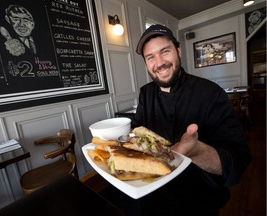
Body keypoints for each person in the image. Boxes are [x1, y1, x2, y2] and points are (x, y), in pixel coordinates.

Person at [100, 24, 251, 216]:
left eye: (165, 51)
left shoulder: (211, 93)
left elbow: (238, 159)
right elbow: (137, 130)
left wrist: (197, 152)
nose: (160, 62)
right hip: (150, 189)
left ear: (178, 51)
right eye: (150, 57)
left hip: (199, 196)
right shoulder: (146, 93)